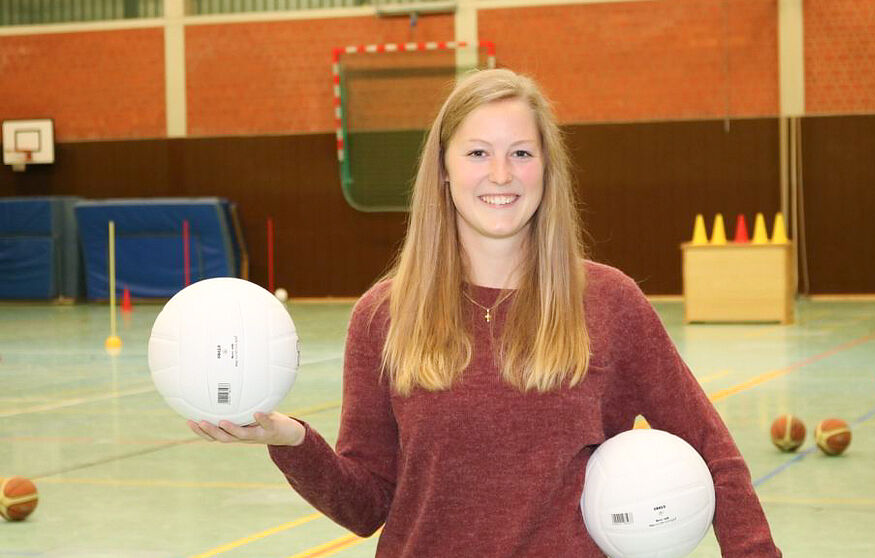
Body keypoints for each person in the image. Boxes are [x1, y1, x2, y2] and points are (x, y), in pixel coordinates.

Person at [189, 68, 781, 557]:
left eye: (521, 153)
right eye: (478, 152)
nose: (501, 174)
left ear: (546, 170)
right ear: (443, 171)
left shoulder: (608, 303)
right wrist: (291, 440)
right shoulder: (382, 316)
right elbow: (368, 505)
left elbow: (713, 452)